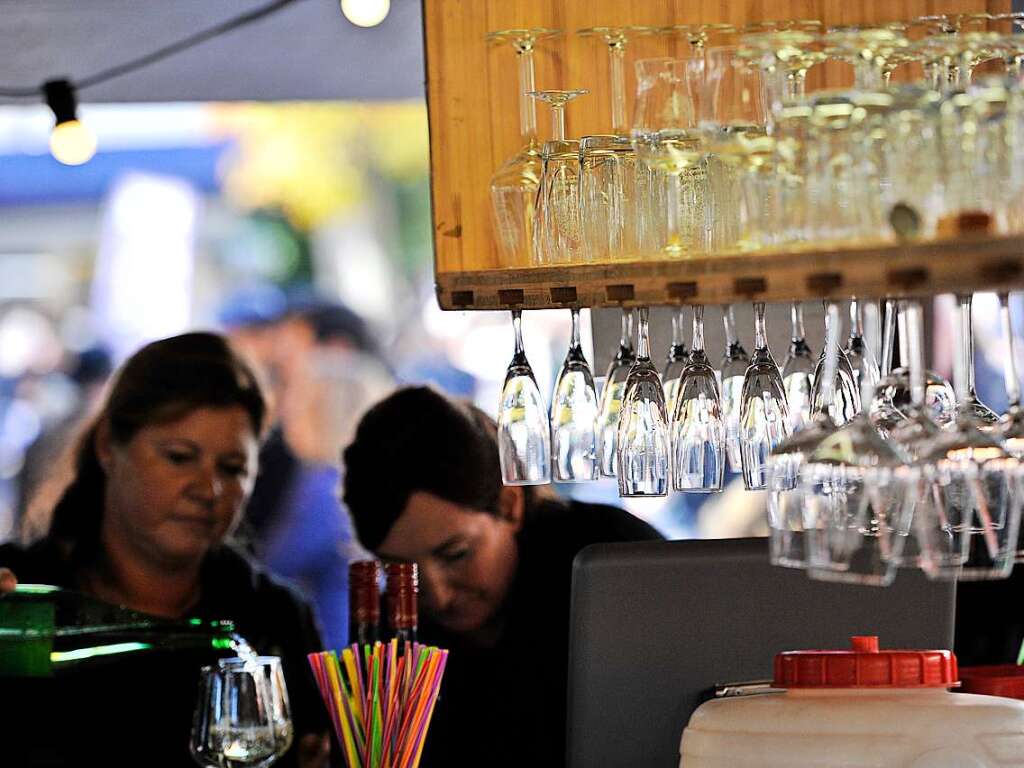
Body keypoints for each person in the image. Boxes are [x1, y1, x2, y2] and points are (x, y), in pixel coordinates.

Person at [0, 332, 329, 768]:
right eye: (179, 457)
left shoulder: (270, 615)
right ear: (107, 446)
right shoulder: (24, 600)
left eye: (232, 468)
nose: (207, 489)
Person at [341, 386, 663, 766]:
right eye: (397, 570)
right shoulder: (390, 629)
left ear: (509, 505)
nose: (437, 596)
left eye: (456, 554)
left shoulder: (609, 558)